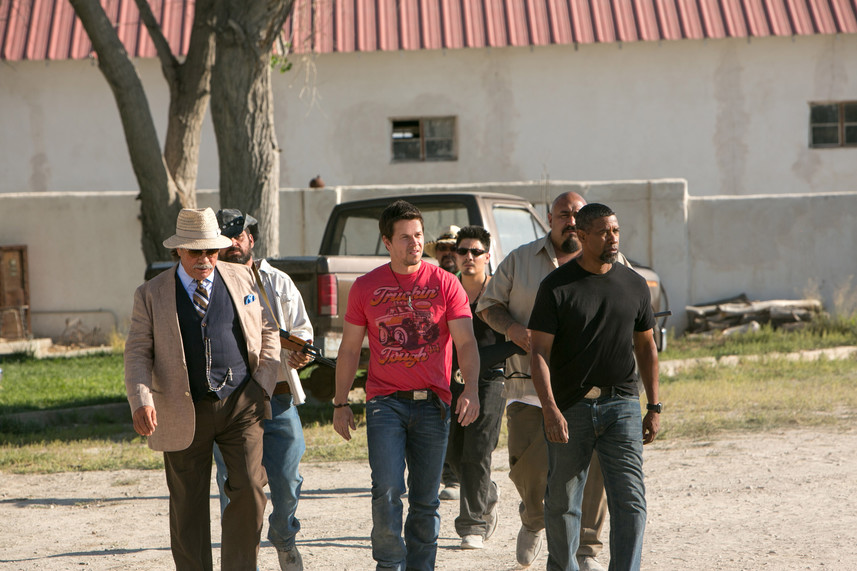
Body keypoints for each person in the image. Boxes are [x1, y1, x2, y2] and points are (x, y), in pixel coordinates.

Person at [124, 207, 280, 570]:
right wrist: (141, 399)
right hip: (181, 408)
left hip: (241, 404)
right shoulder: (151, 293)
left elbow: (268, 329)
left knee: (251, 490)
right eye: (196, 251)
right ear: (178, 250)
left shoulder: (243, 277)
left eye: (211, 250)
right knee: (187, 504)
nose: (205, 259)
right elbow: (137, 352)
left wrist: (263, 383)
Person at [332, 200, 481, 571]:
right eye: (405, 237)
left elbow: (465, 342)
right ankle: (389, 565)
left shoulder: (446, 283)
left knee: (426, 500)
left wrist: (471, 389)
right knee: (386, 489)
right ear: (386, 241)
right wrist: (340, 402)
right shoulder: (365, 287)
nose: (415, 243)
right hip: (385, 403)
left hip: (433, 404)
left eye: (418, 235)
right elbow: (349, 349)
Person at [476, 192, 615, 570]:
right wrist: (513, 330)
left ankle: (586, 549)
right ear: (549, 218)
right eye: (563, 214)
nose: (570, 221)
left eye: (577, 214)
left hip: (589, 386)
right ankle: (534, 519)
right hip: (528, 384)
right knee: (528, 468)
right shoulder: (520, 259)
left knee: (594, 471)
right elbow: (488, 305)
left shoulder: (610, 258)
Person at [528, 202, 661, 571]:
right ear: (582, 236)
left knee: (630, 501)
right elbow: (538, 352)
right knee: (562, 503)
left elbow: (646, 347)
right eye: (603, 232)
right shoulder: (556, 287)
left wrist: (654, 406)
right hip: (571, 408)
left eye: (615, 230)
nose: (612, 238)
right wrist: (550, 409)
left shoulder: (634, 284)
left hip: (622, 406)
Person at [211, 209, 313, 571]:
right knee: (233, 484)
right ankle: (240, 557)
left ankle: (284, 536)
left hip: (278, 395)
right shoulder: (210, 284)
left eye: (238, 236)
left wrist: (301, 351)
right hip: (230, 399)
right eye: (225, 239)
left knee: (287, 478)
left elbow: (302, 330)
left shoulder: (277, 281)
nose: (232, 244)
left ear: (251, 239)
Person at [444, 226, 506, 550]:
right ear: (455, 256)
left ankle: (473, 525)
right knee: (452, 452)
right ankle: (487, 493)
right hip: (451, 381)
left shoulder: (499, 292)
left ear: (487, 256)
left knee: (478, 449)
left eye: (476, 252)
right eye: (463, 251)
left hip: (491, 380)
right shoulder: (446, 289)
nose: (469, 257)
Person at [425, 223, 462, 500]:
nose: (448, 253)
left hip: (461, 362)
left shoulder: (468, 280)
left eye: (453, 248)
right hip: (434, 362)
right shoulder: (427, 282)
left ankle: (454, 477)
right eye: (442, 248)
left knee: (458, 420)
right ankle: (437, 473)